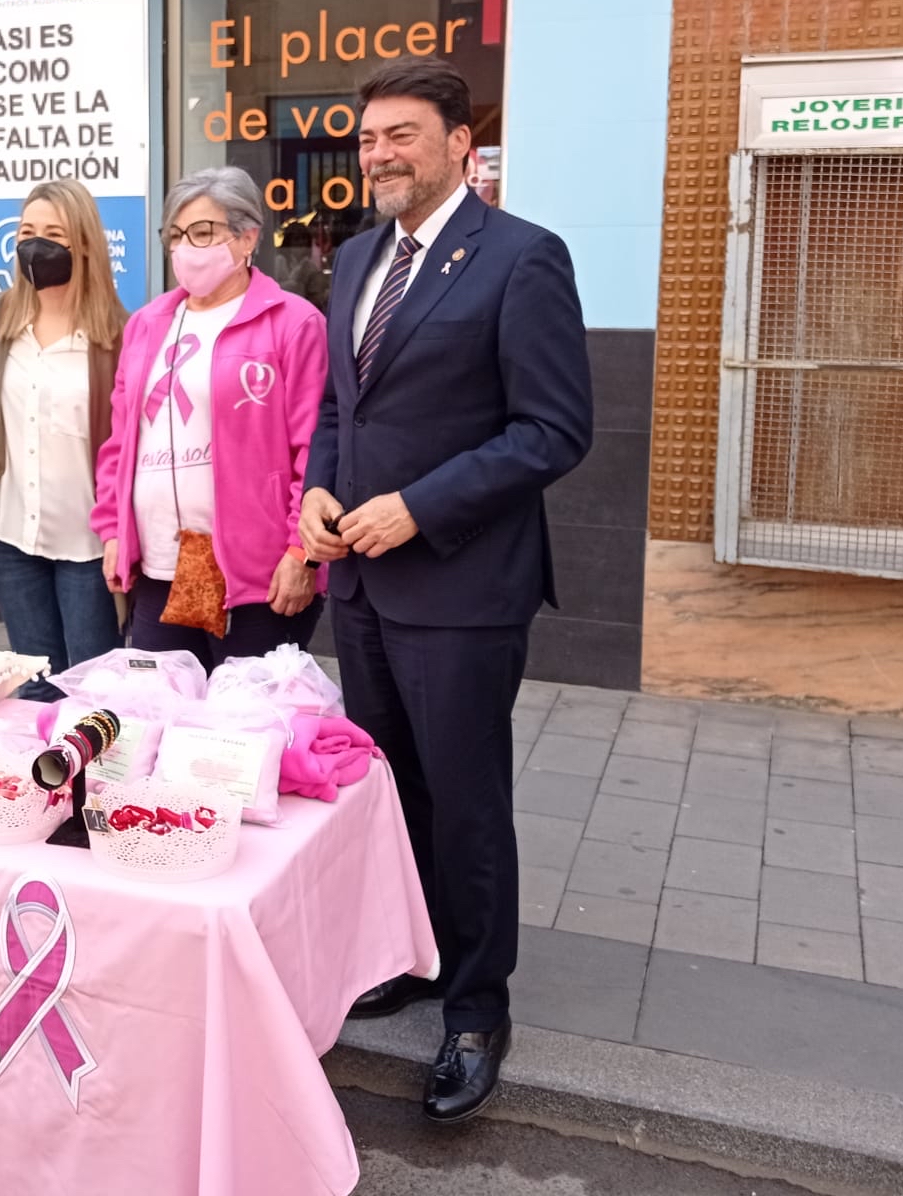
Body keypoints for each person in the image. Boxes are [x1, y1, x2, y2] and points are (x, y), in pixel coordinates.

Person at [299, 59, 592, 1125]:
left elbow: (552, 430)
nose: (377, 154)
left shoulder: (520, 258)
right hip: (364, 587)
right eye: (368, 136)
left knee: (465, 802)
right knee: (395, 791)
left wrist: (418, 506)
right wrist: (317, 487)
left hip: (462, 584)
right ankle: (415, 959)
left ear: (458, 143)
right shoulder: (355, 256)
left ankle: (474, 1008)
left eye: (401, 135)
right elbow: (343, 402)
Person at [92, 168, 329, 672]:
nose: (185, 248)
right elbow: (120, 442)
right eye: (175, 236)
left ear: (247, 238)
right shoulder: (147, 324)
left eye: (202, 233)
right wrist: (113, 532)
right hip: (161, 569)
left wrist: (301, 552)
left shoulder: (294, 323)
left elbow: (314, 450)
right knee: (160, 720)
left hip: (258, 577)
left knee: (247, 733)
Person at [0, 180, 128, 674]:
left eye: (53, 233)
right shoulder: (2, 319)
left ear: (83, 243)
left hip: (87, 548)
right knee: (34, 686)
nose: (35, 244)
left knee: (93, 691)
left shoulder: (116, 335)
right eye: (26, 231)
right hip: (13, 544)